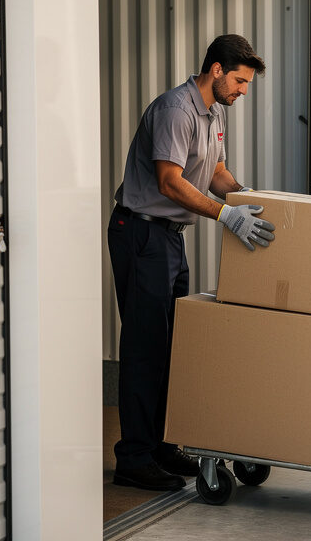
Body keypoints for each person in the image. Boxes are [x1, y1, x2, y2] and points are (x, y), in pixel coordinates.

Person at [108, 34, 275, 491]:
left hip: (168, 239)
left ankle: (161, 447)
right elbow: (169, 181)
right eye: (240, 81)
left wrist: (247, 199)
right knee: (145, 348)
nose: (243, 90)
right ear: (216, 70)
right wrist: (225, 215)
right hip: (141, 234)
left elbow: (215, 171)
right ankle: (134, 458)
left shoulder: (214, 112)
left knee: (168, 346)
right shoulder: (176, 110)